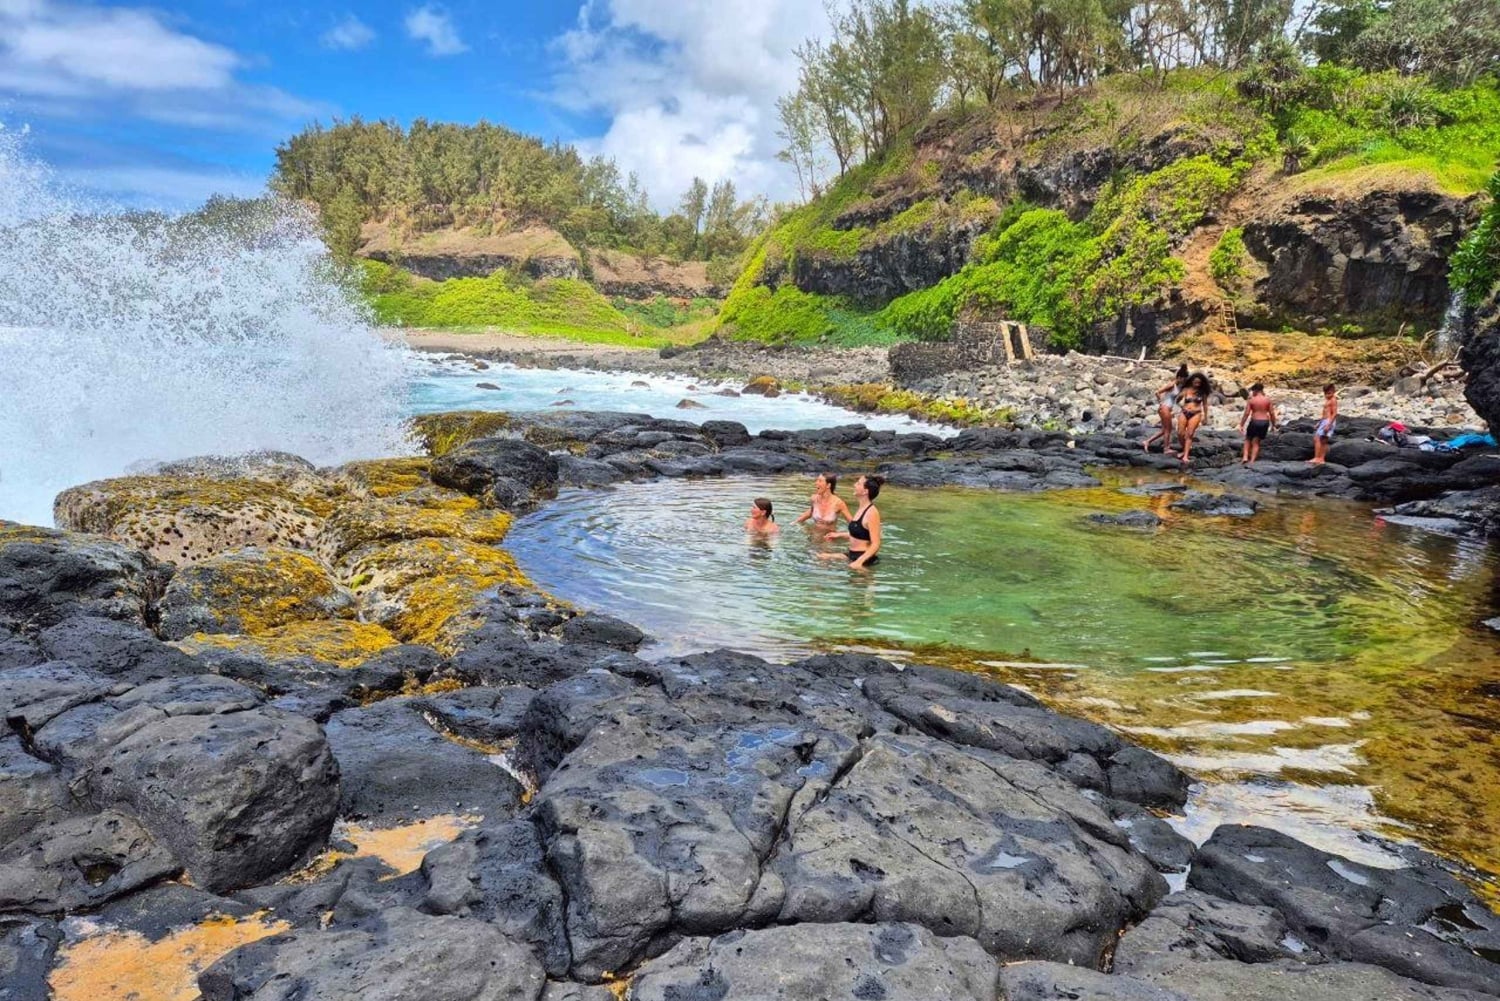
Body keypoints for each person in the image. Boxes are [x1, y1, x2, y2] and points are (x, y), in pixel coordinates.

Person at [824, 475, 883, 569]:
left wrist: (859, 562)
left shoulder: (872, 513)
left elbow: (876, 543)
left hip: (864, 559)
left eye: (858, 483)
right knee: (822, 557)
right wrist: (839, 535)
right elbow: (861, 534)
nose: (854, 485)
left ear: (865, 491)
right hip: (851, 555)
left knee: (858, 582)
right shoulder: (861, 508)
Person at [1143, 365, 1190, 454]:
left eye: (1185, 379)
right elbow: (1158, 392)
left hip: (1167, 409)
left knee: (1164, 430)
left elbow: (1178, 399)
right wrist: (1161, 403)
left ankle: (1147, 442)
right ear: (1179, 377)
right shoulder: (1171, 384)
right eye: (1183, 379)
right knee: (1168, 429)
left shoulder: (1179, 387)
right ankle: (1166, 449)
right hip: (1164, 408)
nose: (1184, 381)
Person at [1175, 372, 1212, 466]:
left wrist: (1205, 417)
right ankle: (1185, 449)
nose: (1197, 384)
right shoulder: (1186, 389)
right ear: (1192, 382)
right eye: (1196, 382)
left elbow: (1205, 405)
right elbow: (1177, 400)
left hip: (1196, 414)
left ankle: (1186, 455)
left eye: (1199, 383)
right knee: (1180, 433)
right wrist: (1179, 400)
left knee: (1189, 434)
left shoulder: (1202, 392)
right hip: (1184, 412)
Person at [1239, 383, 1279, 464]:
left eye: (1253, 391)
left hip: (1254, 421)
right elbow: (1272, 413)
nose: (1252, 393)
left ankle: (1245, 457)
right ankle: (1252, 461)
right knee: (1256, 442)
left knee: (1248, 439)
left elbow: (1246, 413)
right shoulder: (1267, 400)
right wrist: (1273, 425)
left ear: (1256, 390)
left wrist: (1241, 425)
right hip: (1264, 422)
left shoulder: (1251, 400)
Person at [1309, 383, 1339, 465]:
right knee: (1321, 439)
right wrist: (1319, 422)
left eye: (1329, 393)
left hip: (1328, 421)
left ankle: (1318, 457)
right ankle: (1320, 458)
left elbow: (1334, 413)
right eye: (1325, 394)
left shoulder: (1333, 400)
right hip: (1324, 420)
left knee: (1319, 439)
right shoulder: (1328, 400)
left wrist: (1329, 424)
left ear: (1333, 391)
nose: (1327, 395)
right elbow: (1324, 413)